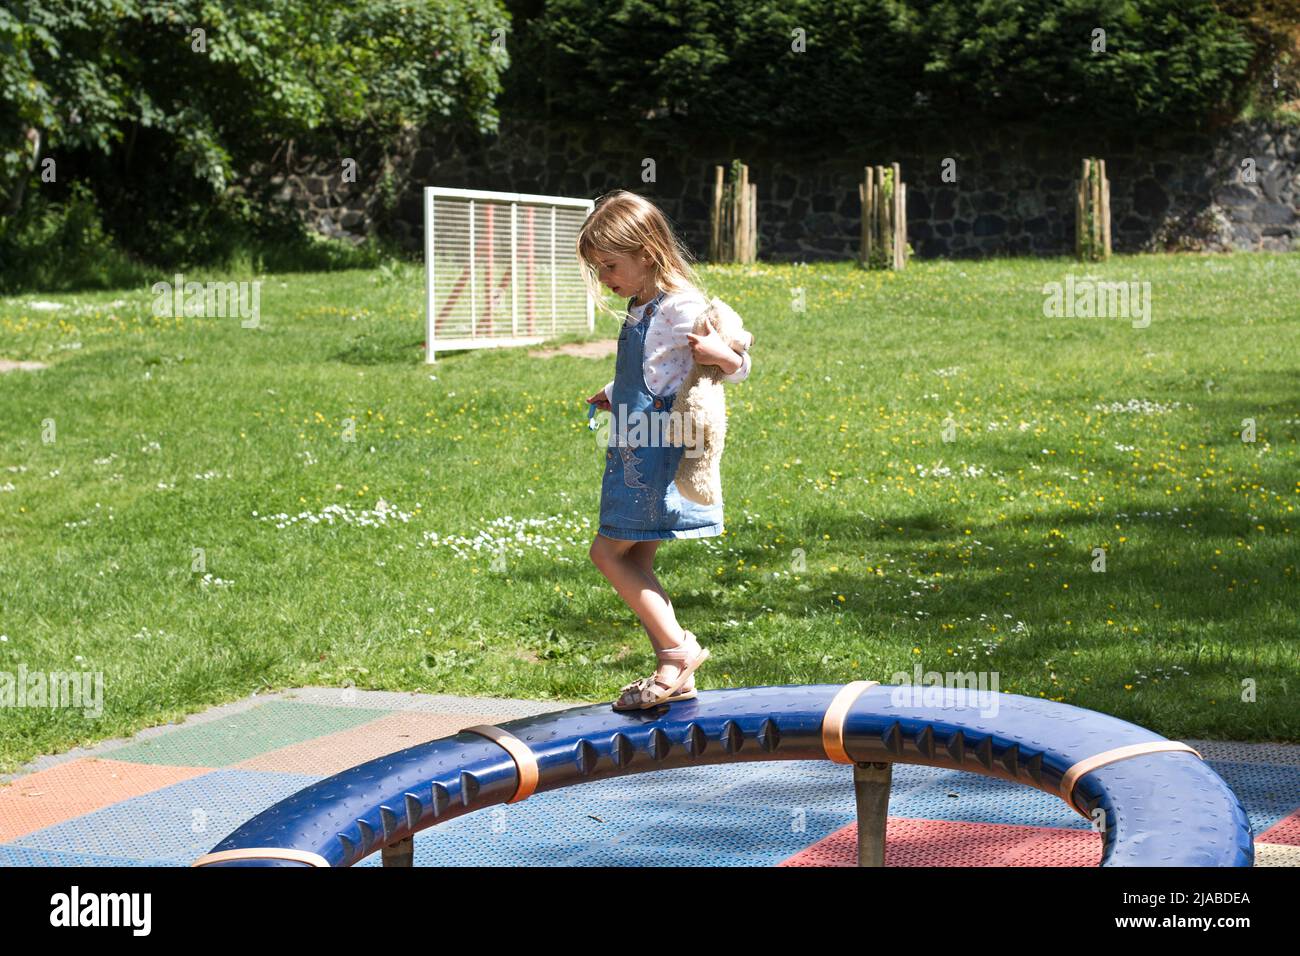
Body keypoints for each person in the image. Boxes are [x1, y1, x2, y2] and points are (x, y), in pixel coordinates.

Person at [577, 190, 752, 710]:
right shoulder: (640, 305)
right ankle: (674, 672)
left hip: (654, 450)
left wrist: (724, 355)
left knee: (607, 553)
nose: (605, 277)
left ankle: (678, 653)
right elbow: (660, 372)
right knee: (638, 559)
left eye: (610, 265)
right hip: (635, 439)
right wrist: (614, 394)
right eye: (598, 267)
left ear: (647, 252)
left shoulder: (680, 306)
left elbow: (734, 365)